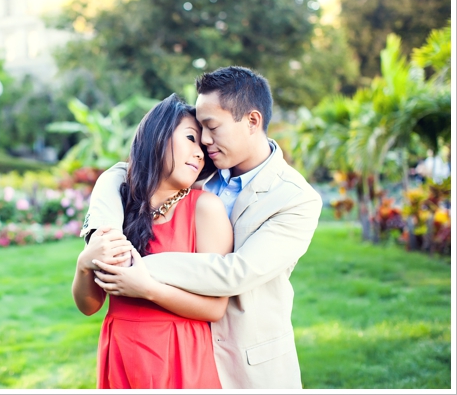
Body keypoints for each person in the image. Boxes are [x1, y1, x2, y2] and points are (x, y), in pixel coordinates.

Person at [85, 66, 322, 389]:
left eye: (211, 127)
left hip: (246, 364)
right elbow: (121, 173)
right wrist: (101, 235)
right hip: (166, 349)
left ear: (252, 121)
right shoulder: (197, 170)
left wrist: (136, 264)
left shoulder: (296, 199)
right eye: (199, 130)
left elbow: (235, 272)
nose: (205, 140)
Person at [72, 94, 233, 389]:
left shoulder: (205, 209)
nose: (200, 153)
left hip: (180, 355)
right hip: (122, 350)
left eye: (202, 147)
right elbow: (89, 306)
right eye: (190, 138)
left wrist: (147, 289)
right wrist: (84, 264)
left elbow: (215, 308)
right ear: (156, 136)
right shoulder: (117, 208)